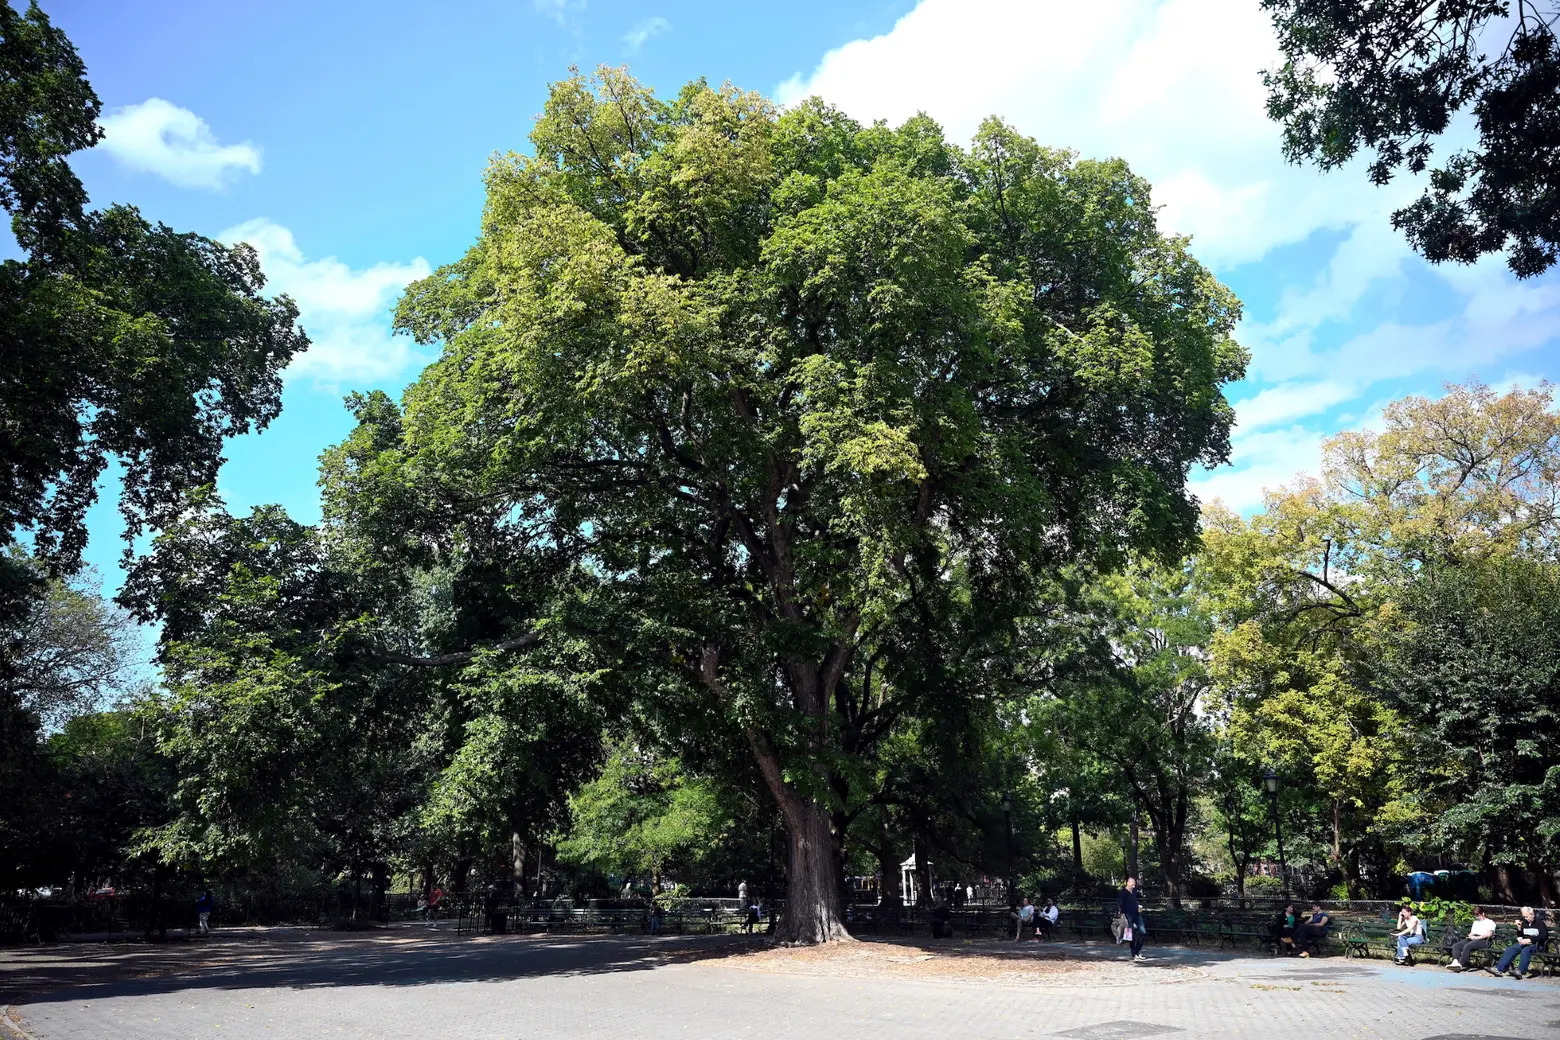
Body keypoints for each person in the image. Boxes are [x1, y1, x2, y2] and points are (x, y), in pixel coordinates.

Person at [1488, 907, 1548, 979]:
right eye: (1524, 916)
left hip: (1538, 945)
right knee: (1511, 949)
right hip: (1525, 943)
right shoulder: (1524, 923)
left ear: (1532, 914)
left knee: (1525, 950)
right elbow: (1521, 935)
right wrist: (1519, 928)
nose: (1525, 918)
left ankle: (1520, 971)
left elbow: (1544, 935)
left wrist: (1530, 940)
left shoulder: (1539, 923)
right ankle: (1499, 969)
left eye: (1527, 916)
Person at [1118, 877, 1146, 962]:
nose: (1134, 886)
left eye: (1134, 885)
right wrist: (1121, 914)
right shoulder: (1123, 892)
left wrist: (1139, 908)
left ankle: (1138, 951)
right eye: (1132, 884)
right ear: (1128, 883)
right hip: (1128, 915)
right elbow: (1120, 904)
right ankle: (1134, 953)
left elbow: (1134, 901)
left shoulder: (1134, 891)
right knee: (1130, 934)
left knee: (1143, 932)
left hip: (1136, 914)